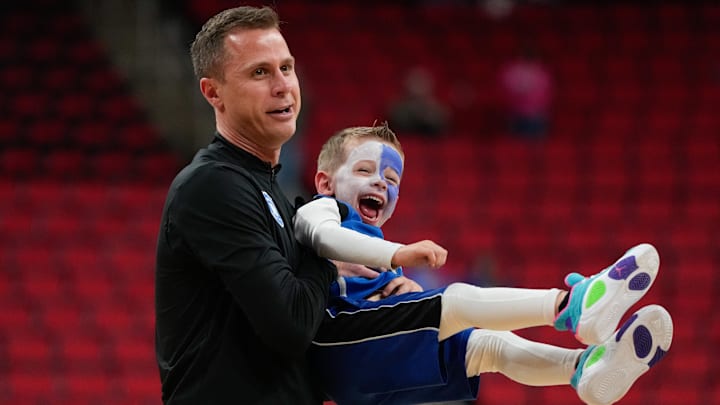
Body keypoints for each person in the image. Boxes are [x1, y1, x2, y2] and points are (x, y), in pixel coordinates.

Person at [292, 122, 673, 405]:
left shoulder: (383, 253)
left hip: (365, 365)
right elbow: (323, 237)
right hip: (334, 344)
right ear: (325, 182)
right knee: (455, 302)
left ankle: (583, 367)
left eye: (391, 179)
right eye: (364, 171)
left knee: (485, 347)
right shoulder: (323, 210)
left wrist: (404, 291)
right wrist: (397, 255)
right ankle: (572, 305)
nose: (380, 183)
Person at [155, 6, 341, 404]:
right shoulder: (213, 186)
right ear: (212, 92)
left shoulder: (266, 188)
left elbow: (306, 325)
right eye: (260, 72)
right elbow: (291, 325)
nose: (283, 86)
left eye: (286, 68)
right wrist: (325, 250)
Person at [387, 66, 451, 137]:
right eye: (415, 83)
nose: (418, 87)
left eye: (422, 83)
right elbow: (397, 126)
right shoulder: (397, 108)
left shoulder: (436, 109)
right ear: (407, 85)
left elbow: (442, 129)